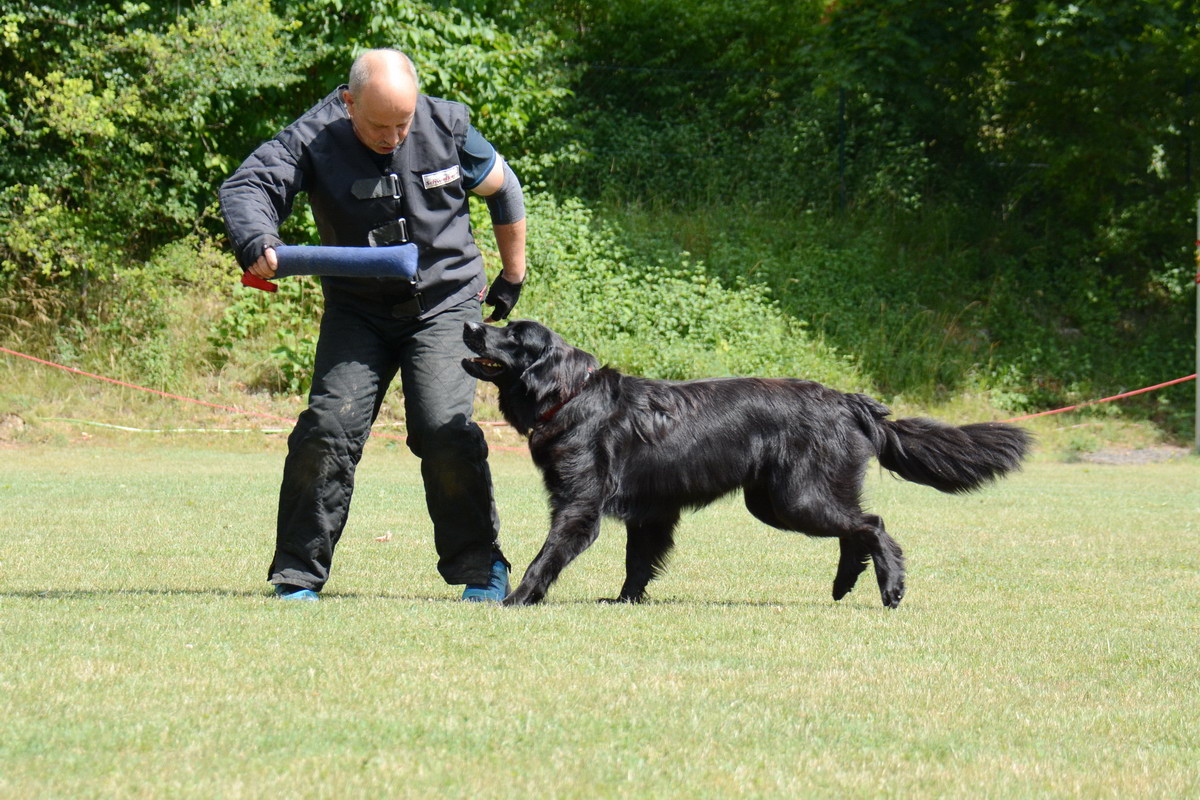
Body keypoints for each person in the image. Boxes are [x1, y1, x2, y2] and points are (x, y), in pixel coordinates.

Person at [219, 48, 526, 602]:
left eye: (402, 123)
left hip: (445, 303)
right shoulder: (314, 136)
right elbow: (248, 187)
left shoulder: (447, 125)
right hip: (357, 310)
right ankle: (297, 574)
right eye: (378, 125)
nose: (393, 137)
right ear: (348, 102)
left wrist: (512, 273)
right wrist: (257, 240)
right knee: (326, 429)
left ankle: (482, 569)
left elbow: (504, 188)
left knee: (443, 431)